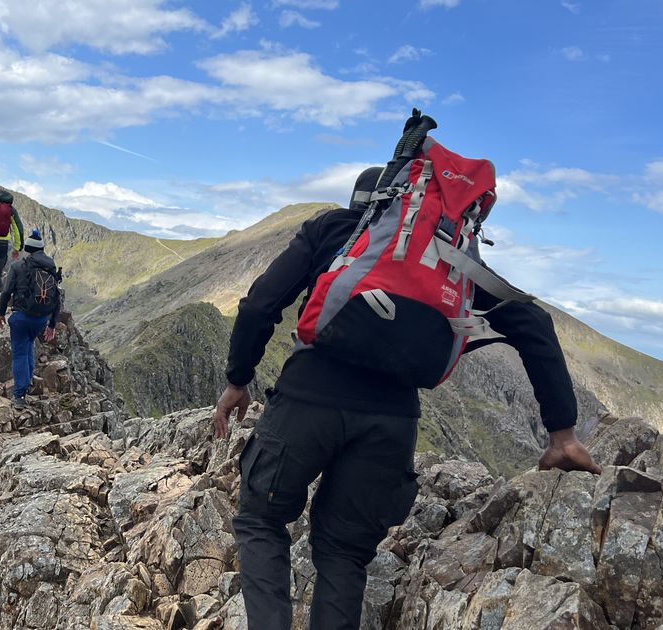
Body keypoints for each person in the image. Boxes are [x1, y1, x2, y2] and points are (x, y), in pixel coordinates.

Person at [212, 169, 601, 629]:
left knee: (261, 521)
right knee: (342, 553)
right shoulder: (450, 261)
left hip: (306, 401)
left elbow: (260, 304)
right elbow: (534, 326)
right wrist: (562, 433)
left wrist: (238, 380)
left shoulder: (333, 229)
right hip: (391, 424)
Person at [0, 230, 62, 408]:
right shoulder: (50, 268)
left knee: (19, 353)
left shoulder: (18, 266)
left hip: (21, 317)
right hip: (41, 319)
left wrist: (1, 313)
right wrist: (52, 325)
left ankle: (19, 395)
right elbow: (57, 298)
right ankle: (29, 380)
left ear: (27, 248)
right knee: (29, 345)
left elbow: (6, 292)